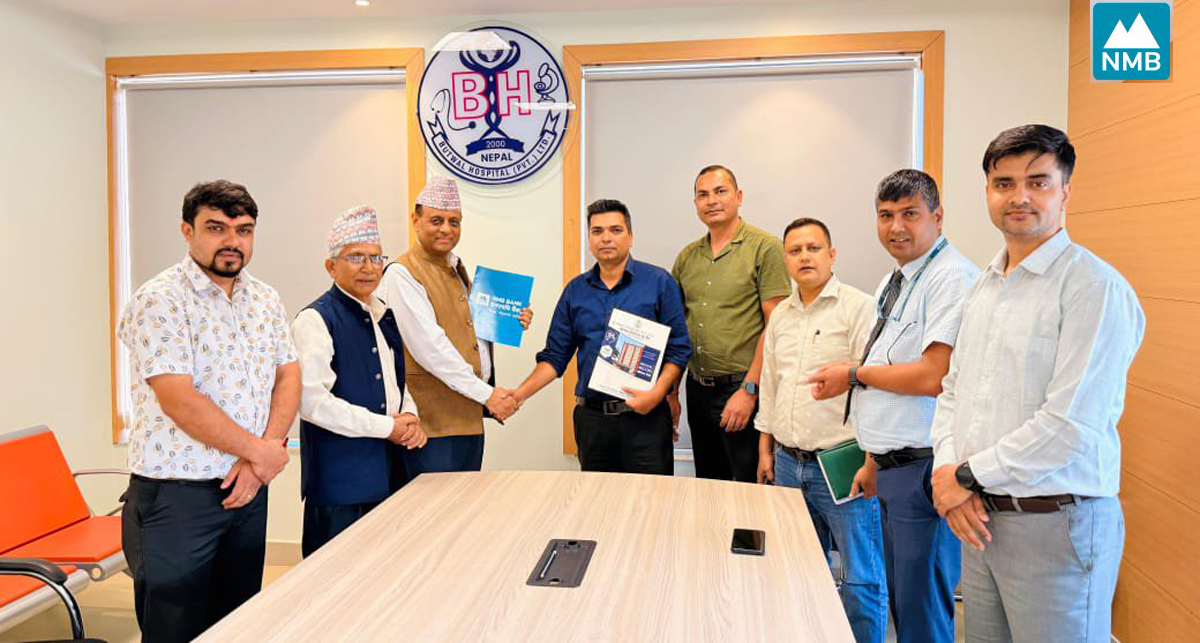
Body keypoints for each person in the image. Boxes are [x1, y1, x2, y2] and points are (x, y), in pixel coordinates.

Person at [930, 124, 1145, 642]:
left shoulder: (1094, 288)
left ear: (1065, 190)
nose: (1019, 197)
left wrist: (965, 477)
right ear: (987, 192)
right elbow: (954, 391)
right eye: (1003, 183)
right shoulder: (984, 286)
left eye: (1038, 182)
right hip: (980, 520)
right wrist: (947, 473)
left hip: (1054, 524)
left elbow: (1071, 425)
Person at [117, 180, 299, 642]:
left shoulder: (265, 298)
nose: (232, 241)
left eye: (244, 230)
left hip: (247, 488)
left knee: (238, 622)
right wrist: (261, 453)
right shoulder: (160, 299)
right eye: (216, 228)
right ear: (187, 231)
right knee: (174, 628)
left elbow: (288, 374)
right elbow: (178, 399)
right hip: (177, 497)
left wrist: (262, 457)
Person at [809, 169, 979, 643]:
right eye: (886, 216)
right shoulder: (896, 278)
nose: (896, 227)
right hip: (890, 466)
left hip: (923, 469)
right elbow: (883, 358)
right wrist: (871, 460)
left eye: (910, 214)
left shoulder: (951, 277)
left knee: (921, 612)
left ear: (938, 217)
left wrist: (852, 375)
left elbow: (933, 376)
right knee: (903, 604)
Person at [756, 217, 885, 642]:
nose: (804, 257)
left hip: (843, 463)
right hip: (788, 464)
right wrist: (765, 450)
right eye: (795, 251)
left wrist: (871, 461)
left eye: (813, 248)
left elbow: (875, 386)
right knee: (797, 569)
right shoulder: (781, 315)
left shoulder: (859, 307)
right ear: (785, 260)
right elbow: (771, 385)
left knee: (861, 576)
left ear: (832, 254)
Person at [513, 199, 691, 473]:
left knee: (651, 497)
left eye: (615, 230)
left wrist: (657, 394)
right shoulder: (575, 290)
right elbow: (555, 357)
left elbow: (679, 349)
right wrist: (518, 395)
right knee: (597, 498)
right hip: (592, 422)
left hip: (646, 420)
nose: (606, 238)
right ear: (589, 238)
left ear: (631, 236)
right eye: (597, 231)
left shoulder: (659, 282)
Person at [292, 205, 427, 558]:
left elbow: (397, 382)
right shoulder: (315, 320)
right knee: (332, 576)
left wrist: (409, 417)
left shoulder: (383, 313)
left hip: (389, 474)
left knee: (384, 570)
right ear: (331, 266)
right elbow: (312, 403)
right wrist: (387, 427)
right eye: (356, 257)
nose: (369, 267)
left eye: (375, 257)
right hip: (340, 486)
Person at [380, 177, 530, 476]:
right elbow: (431, 349)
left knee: (465, 503)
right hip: (429, 425)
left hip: (468, 418)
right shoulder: (402, 274)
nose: (447, 229)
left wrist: (510, 320)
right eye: (436, 220)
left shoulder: (456, 269)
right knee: (432, 506)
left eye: (454, 222)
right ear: (416, 221)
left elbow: (467, 330)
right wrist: (488, 395)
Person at [671, 165, 791, 482]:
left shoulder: (765, 247)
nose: (711, 200)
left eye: (720, 191)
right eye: (703, 195)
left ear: (738, 196)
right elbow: (677, 329)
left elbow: (776, 326)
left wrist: (749, 391)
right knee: (709, 485)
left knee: (750, 488)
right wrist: (671, 394)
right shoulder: (687, 257)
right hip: (697, 389)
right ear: (695, 204)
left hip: (743, 388)